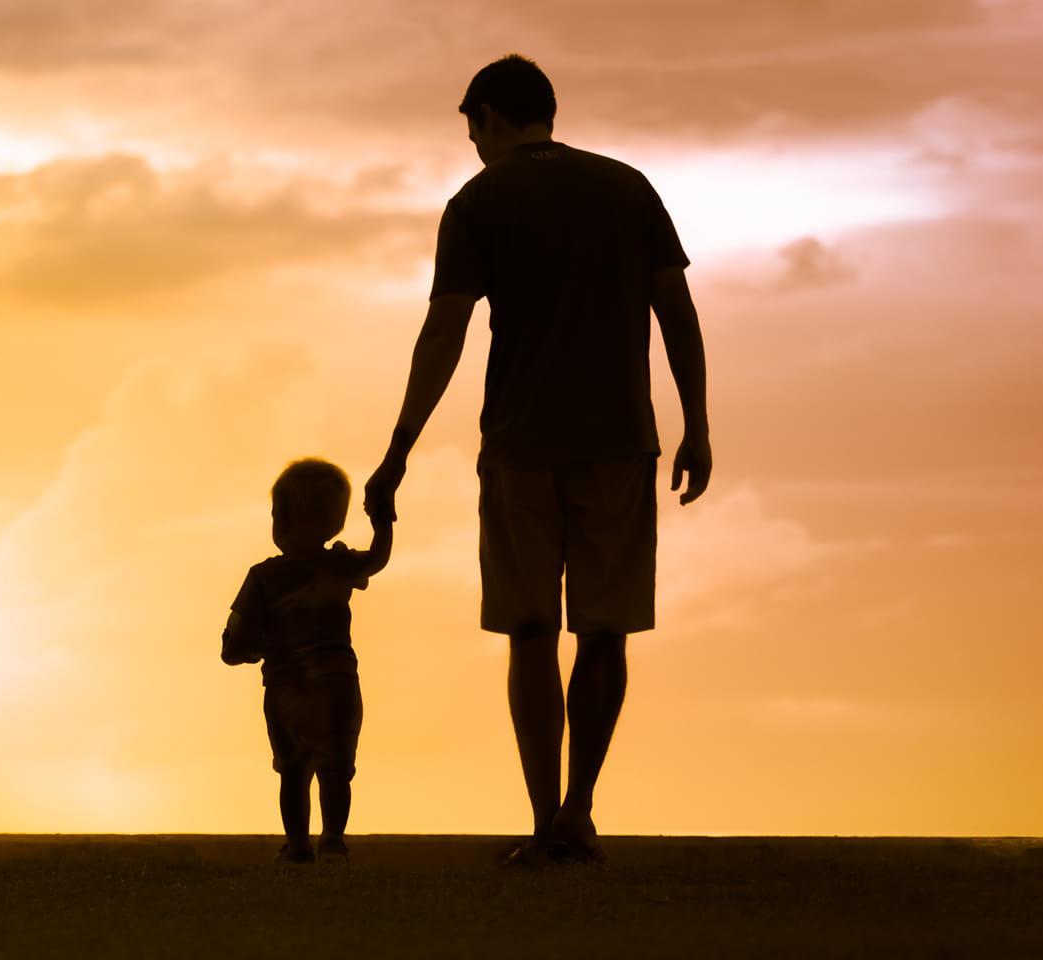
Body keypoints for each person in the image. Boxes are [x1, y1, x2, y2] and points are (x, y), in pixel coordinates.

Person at [364, 54, 712, 867]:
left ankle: (543, 816)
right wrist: (697, 424)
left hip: (520, 448)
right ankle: (581, 812)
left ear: (487, 116)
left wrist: (398, 449)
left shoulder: (478, 202)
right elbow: (678, 311)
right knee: (604, 631)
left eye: (471, 129)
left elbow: (444, 331)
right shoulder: (629, 188)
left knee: (528, 632)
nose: (474, 146)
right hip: (620, 441)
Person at [223, 457, 393, 864]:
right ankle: (333, 839)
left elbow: (236, 639)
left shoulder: (263, 578)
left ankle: (298, 844)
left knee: (293, 770)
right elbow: (377, 559)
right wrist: (384, 521)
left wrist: (242, 650)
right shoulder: (338, 563)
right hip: (337, 686)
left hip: (285, 690)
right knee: (336, 767)